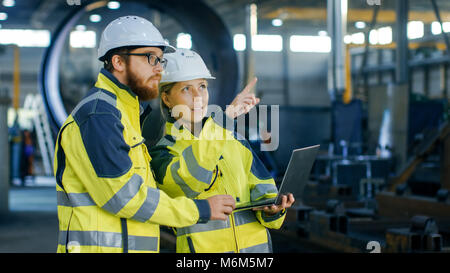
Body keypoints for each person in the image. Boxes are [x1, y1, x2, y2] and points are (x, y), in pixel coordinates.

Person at [54, 16, 235, 253]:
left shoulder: (124, 113)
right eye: (151, 58)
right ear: (118, 62)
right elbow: (124, 197)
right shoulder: (99, 115)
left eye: (160, 60)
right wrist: (199, 210)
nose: (159, 68)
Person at [148, 48, 295, 253]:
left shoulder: (235, 141)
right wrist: (226, 118)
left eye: (202, 86)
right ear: (166, 98)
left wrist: (273, 209)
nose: (198, 97)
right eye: (186, 89)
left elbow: (264, 190)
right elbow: (191, 181)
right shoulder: (163, 154)